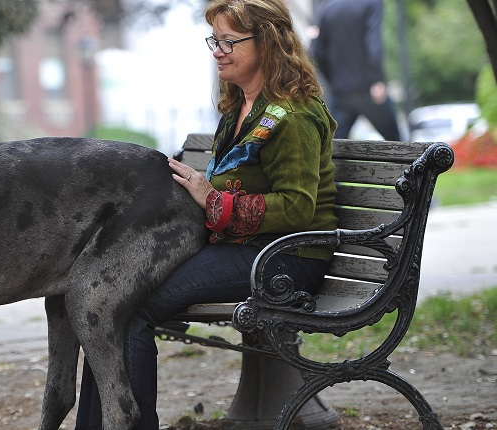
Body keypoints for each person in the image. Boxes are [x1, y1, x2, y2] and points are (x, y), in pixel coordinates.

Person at [74, 0, 338, 428]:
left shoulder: (294, 116)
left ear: (269, 42)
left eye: (229, 41)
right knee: (110, 301)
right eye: (215, 40)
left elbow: (298, 206)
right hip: (244, 248)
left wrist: (213, 199)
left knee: (132, 309)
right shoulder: (239, 108)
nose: (218, 50)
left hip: (287, 257)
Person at [311, 0, 401, 140]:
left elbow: (317, 51)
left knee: (335, 150)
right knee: (399, 147)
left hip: (341, 94)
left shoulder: (328, 8)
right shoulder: (372, 3)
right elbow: (373, 43)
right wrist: (377, 80)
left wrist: (333, 80)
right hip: (369, 90)